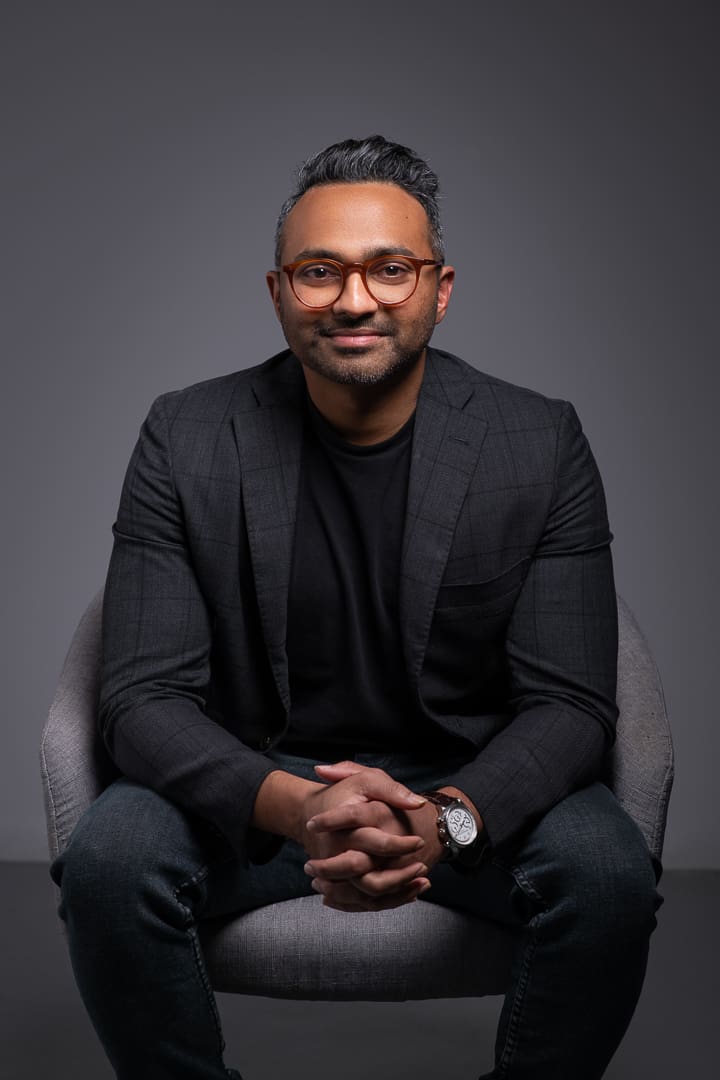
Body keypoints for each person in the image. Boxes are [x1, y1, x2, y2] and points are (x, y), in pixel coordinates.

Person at [52, 135, 660, 1080]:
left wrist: (444, 818)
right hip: (253, 784)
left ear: (441, 287)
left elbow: (572, 703)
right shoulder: (187, 434)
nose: (355, 300)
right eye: (320, 272)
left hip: (469, 783)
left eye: (391, 269)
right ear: (278, 289)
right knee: (108, 861)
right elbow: (139, 697)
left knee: (610, 874)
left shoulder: (538, 440)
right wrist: (301, 808)